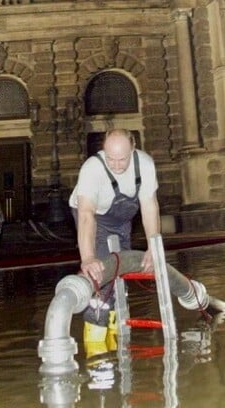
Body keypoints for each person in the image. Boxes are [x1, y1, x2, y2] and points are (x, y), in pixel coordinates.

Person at [68, 129, 160, 356]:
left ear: (134, 148)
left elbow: (149, 208)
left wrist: (153, 248)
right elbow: (87, 214)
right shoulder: (92, 168)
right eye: (111, 159)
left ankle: (116, 338)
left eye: (123, 159)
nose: (117, 166)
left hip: (122, 219)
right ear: (104, 151)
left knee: (122, 271)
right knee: (102, 274)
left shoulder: (145, 165)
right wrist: (88, 258)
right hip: (94, 216)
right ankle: (96, 348)